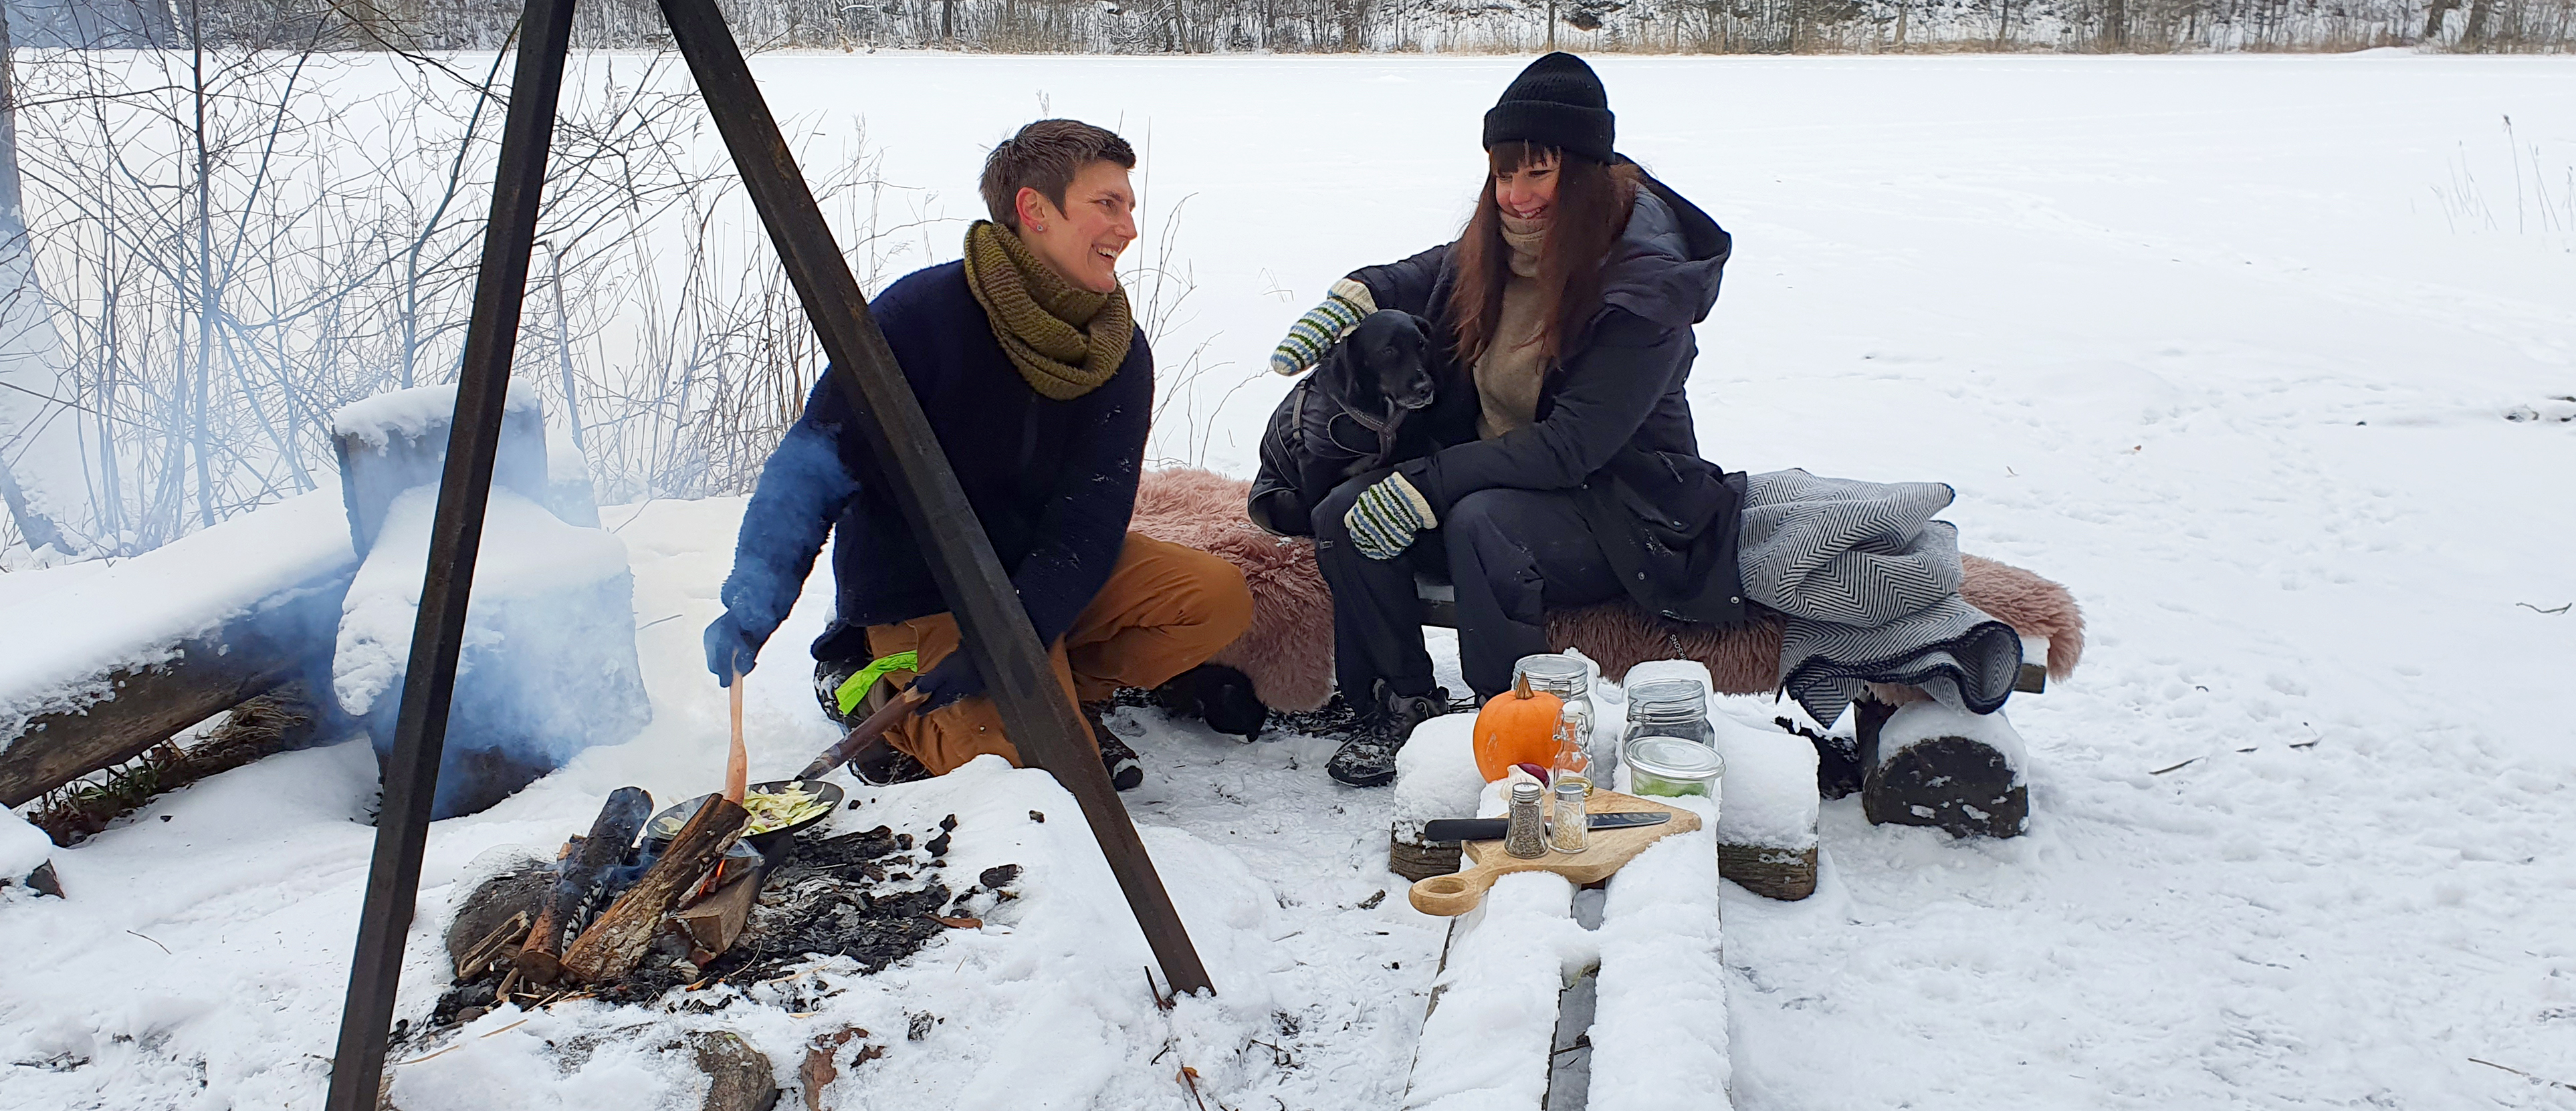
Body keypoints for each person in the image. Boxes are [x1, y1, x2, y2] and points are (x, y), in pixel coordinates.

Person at [704, 119, 1254, 789]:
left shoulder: (1116, 350)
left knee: (1216, 598)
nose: (1129, 228)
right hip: (924, 587)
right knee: (1026, 772)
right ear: (1034, 211)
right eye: (1106, 205)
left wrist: (1010, 637)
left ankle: (1050, 691)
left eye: (1130, 206)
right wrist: (755, 603)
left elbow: (1092, 516)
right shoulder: (922, 317)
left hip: (1039, 578)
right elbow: (814, 465)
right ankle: (878, 695)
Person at [1266, 53, 1743, 787]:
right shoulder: (1503, 246)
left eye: (1538, 174)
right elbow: (1435, 266)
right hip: (1499, 477)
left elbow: (1572, 448)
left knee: (1480, 520)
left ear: (1584, 173)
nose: (1516, 197)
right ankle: (1398, 702)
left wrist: (1428, 481)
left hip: (1627, 510)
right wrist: (1361, 292)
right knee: (1341, 511)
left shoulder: (1647, 287)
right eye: (1502, 174)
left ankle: (1510, 716)